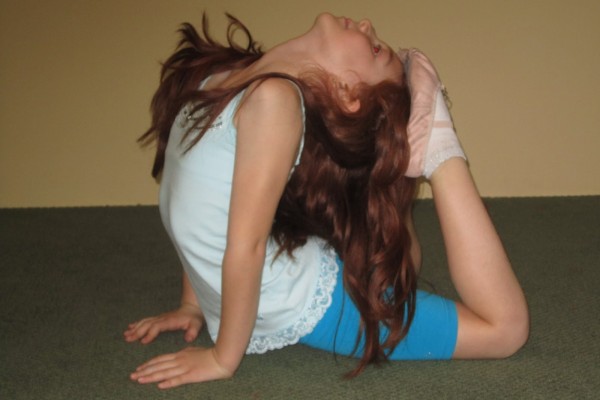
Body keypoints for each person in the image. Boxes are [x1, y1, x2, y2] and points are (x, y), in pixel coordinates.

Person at [124, 12, 529, 389]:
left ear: (347, 93)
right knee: (388, 278)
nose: (366, 23)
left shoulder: (273, 100)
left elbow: (246, 246)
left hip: (306, 303)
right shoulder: (219, 80)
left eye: (375, 49)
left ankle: (437, 147)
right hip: (286, 276)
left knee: (505, 330)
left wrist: (222, 359)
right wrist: (192, 303)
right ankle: (407, 182)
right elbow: (197, 207)